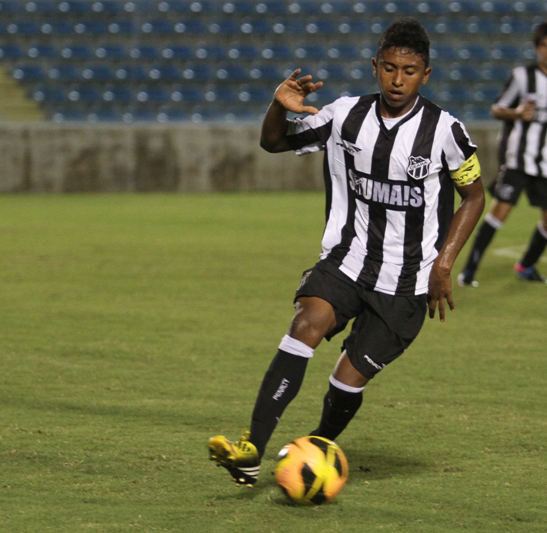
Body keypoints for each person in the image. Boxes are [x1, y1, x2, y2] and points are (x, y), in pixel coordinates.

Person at [208, 17, 485, 488]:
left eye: (410, 71)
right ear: (375, 66)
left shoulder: (445, 131)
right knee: (305, 324)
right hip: (347, 260)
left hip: (408, 281)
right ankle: (252, 448)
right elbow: (273, 142)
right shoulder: (344, 115)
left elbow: (475, 196)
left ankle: (313, 449)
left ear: (426, 74)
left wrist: (443, 264)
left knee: (347, 379)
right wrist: (280, 105)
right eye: (390, 68)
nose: (398, 80)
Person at [458, 20, 547, 287]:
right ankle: (469, 271)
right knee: (499, 212)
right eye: (544, 46)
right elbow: (497, 109)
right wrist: (518, 112)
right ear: (536, 49)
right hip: (518, 160)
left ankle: (526, 266)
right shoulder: (522, 76)